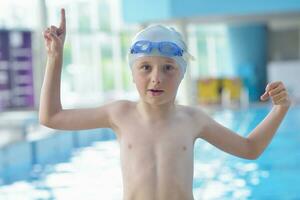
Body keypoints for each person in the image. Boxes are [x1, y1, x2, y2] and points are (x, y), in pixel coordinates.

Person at [39, 8, 291, 200]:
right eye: (145, 67)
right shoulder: (119, 113)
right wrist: (54, 58)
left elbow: (250, 149)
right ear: (132, 72)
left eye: (168, 68)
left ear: (182, 74)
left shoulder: (194, 120)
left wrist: (280, 109)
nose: (156, 78)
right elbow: (51, 117)